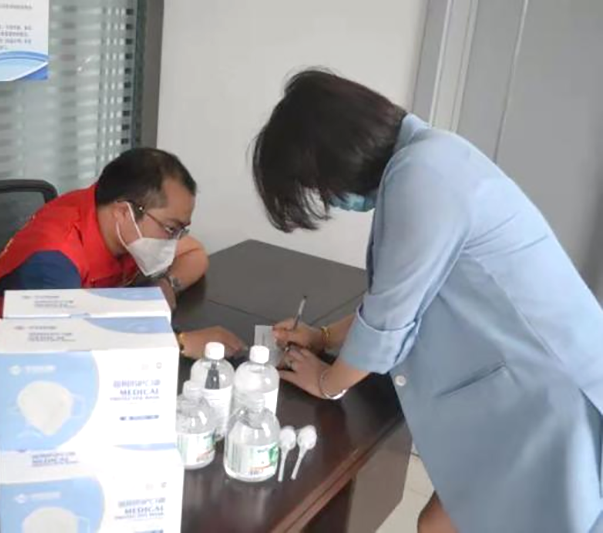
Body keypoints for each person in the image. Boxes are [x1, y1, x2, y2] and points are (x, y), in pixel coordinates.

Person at [252, 69, 603, 533]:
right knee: (438, 524)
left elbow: (388, 320)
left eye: (318, 186)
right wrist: (324, 337)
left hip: (546, 396)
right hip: (533, 383)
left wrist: (327, 382)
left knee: (448, 524)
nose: (329, 200)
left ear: (335, 155)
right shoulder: (426, 160)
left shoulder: (422, 176)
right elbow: (404, 295)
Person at [0, 147, 245, 358]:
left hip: (83, 330)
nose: (174, 240)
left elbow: (195, 254)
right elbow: (68, 343)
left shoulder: (119, 223)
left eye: (181, 230)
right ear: (123, 212)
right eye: (171, 228)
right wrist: (181, 343)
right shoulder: (55, 257)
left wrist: (167, 285)